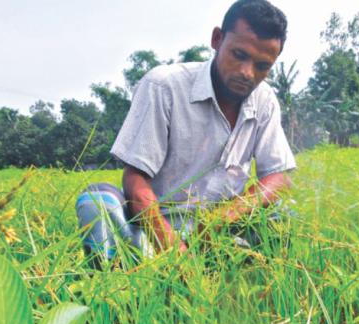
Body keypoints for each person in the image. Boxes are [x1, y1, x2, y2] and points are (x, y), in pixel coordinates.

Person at [76, 0, 296, 260]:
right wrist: (174, 252)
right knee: (96, 202)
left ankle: (248, 280)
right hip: (155, 229)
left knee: (281, 212)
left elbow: (278, 177)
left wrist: (224, 217)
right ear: (217, 39)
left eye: (262, 66)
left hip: (218, 233)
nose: (247, 73)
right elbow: (135, 181)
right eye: (239, 55)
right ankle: (119, 280)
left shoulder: (265, 100)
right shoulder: (164, 86)